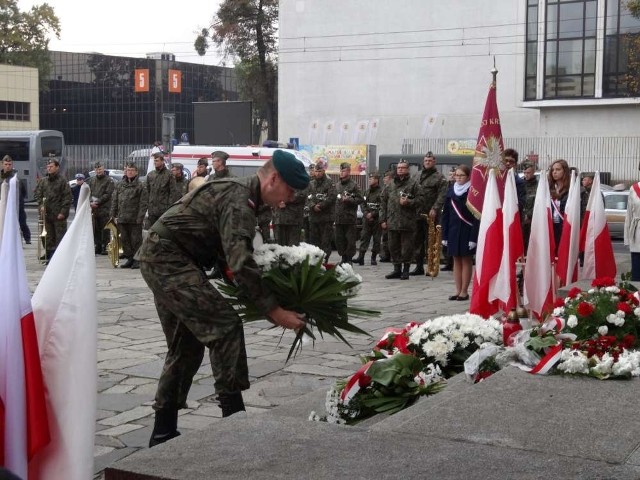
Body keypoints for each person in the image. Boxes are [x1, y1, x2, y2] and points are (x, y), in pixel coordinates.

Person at [138, 150, 308, 447]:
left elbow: (233, 258)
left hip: (168, 257)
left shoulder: (244, 197)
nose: (290, 198)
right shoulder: (240, 199)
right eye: (290, 189)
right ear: (273, 179)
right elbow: (241, 262)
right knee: (225, 327)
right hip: (169, 259)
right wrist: (274, 311)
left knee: (187, 343)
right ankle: (234, 424)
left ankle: (163, 432)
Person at [441, 165, 479, 301]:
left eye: (461, 175)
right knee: (455, 259)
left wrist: (473, 237)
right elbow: (445, 214)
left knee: (466, 259)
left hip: (467, 230)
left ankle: (464, 291)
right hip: (453, 230)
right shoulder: (451, 191)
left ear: (468, 176)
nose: (458, 178)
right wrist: (444, 235)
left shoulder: (472, 192)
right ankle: (457, 290)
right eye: (456, 175)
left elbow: (476, 216)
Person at [380, 159, 422, 280]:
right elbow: (383, 202)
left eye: (403, 168)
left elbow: (421, 200)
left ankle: (406, 270)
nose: (400, 170)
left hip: (407, 222)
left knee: (407, 248)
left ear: (407, 169)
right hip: (392, 222)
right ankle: (396, 269)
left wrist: (409, 202)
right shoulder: (390, 184)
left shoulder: (414, 184)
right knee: (393, 247)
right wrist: (383, 219)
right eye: (399, 168)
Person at [411, 152, 447, 275]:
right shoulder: (416, 175)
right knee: (417, 240)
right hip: (417, 213)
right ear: (423, 161)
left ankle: (431, 267)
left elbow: (442, 195)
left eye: (430, 160)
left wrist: (435, 209)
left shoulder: (439, 177)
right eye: (426, 160)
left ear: (434, 162)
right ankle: (419, 266)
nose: (428, 162)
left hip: (430, 214)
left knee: (431, 241)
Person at [33, 159, 72, 263]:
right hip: (46, 215)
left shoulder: (62, 181)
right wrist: (41, 204)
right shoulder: (43, 181)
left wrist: (63, 212)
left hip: (58, 215)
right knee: (47, 237)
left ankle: (59, 259)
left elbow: (67, 198)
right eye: (48, 166)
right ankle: (49, 254)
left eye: (51, 166)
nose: (49, 168)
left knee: (59, 237)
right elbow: (37, 194)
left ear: (57, 167)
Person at [111, 162, 148, 269]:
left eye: (132, 170)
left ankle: (137, 260)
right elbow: (115, 200)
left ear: (136, 172)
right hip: (122, 217)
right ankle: (130, 258)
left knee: (136, 240)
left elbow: (143, 203)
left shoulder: (141, 185)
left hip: (134, 218)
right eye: (128, 170)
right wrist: (113, 214)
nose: (130, 172)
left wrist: (140, 217)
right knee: (125, 240)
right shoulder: (120, 184)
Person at [307, 161, 337, 261]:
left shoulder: (330, 183)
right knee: (314, 242)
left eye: (319, 171)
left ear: (323, 171)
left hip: (326, 218)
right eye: (316, 171)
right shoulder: (311, 184)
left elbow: (332, 197)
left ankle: (325, 261)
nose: (317, 173)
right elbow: (307, 197)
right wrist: (312, 206)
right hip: (314, 218)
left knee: (325, 241)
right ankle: (315, 261)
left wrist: (320, 205)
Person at [334, 162, 364, 264]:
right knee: (340, 240)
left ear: (349, 171)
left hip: (349, 218)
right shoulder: (337, 185)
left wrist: (349, 200)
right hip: (338, 218)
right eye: (341, 171)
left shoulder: (354, 185)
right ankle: (343, 258)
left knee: (350, 240)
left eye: (344, 171)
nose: (342, 173)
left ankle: (349, 259)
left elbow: (360, 199)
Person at [353, 171, 383, 265]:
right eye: (369, 178)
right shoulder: (366, 191)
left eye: (372, 178)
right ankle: (361, 257)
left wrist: (373, 214)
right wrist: (366, 213)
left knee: (376, 239)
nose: (370, 180)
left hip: (377, 219)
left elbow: (382, 206)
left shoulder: (382, 192)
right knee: (364, 237)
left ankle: (373, 258)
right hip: (366, 219)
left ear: (377, 180)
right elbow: (362, 203)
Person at [1, 155, 31, 244]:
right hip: (3, 206)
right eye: (6, 164)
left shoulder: (16, 179)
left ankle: (27, 238)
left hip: (17, 207)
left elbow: (23, 192)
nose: (7, 166)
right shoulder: (1, 178)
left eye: (9, 164)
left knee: (22, 223)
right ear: (2, 164)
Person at [88, 161, 115, 255]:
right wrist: (91, 202)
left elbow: (108, 194)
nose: (98, 171)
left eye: (100, 169)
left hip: (104, 208)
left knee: (105, 229)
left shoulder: (109, 180)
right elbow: (89, 192)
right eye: (96, 169)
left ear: (103, 169)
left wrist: (97, 202)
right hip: (94, 209)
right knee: (96, 228)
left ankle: (105, 247)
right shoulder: (92, 180)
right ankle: (98, 246)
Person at [145, 152, 178, 230]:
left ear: (162, 161)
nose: (155, 162)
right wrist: (148, 206)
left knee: (163, 232)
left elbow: (173, 193)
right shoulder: (151, 175)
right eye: (154, 161)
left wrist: (169, 209)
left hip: (163, 210)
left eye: (157, 160)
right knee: (152, 232)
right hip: (152, 211)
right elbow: (147, 192)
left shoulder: (169, 174)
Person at [273, 181, 307, 246]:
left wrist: (284, 201)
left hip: (293, 220)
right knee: (280, 247)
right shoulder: (278, 180)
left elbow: (301, 195)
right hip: (279, 219)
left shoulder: (299, 181)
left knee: (292, 247)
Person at [548, 159, 571, 254]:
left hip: (565, 227)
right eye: (553, 170)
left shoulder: (571, 189)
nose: (554, 172)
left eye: (558, 169)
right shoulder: (548, 189)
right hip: (552, 227)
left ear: (564, 171)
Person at [624, 181, 640, 281]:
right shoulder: (634, 188)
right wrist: (627, 238)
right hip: (637, 233)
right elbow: (629, 214)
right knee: (637, 276)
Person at [521, 162, 538, 253]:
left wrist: (529, 215)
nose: (526, 175)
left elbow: (538, 203)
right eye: (525, 172)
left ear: (533, 172)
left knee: (531, 243)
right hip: (521, 219)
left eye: (528, 173)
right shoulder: (521, 185)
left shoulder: (538, 185)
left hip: (532, 219)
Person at [378, 169, 394, 262]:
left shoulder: (392, 188)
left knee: (392, 238)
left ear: (391, 179)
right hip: (386, 216)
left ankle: (392, 255)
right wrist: (382, 220)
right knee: (385, 238)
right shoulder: (385, 188)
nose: (384, 180)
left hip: (392, 217)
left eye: (386, 178)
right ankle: (386, 255)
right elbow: (382, 206)